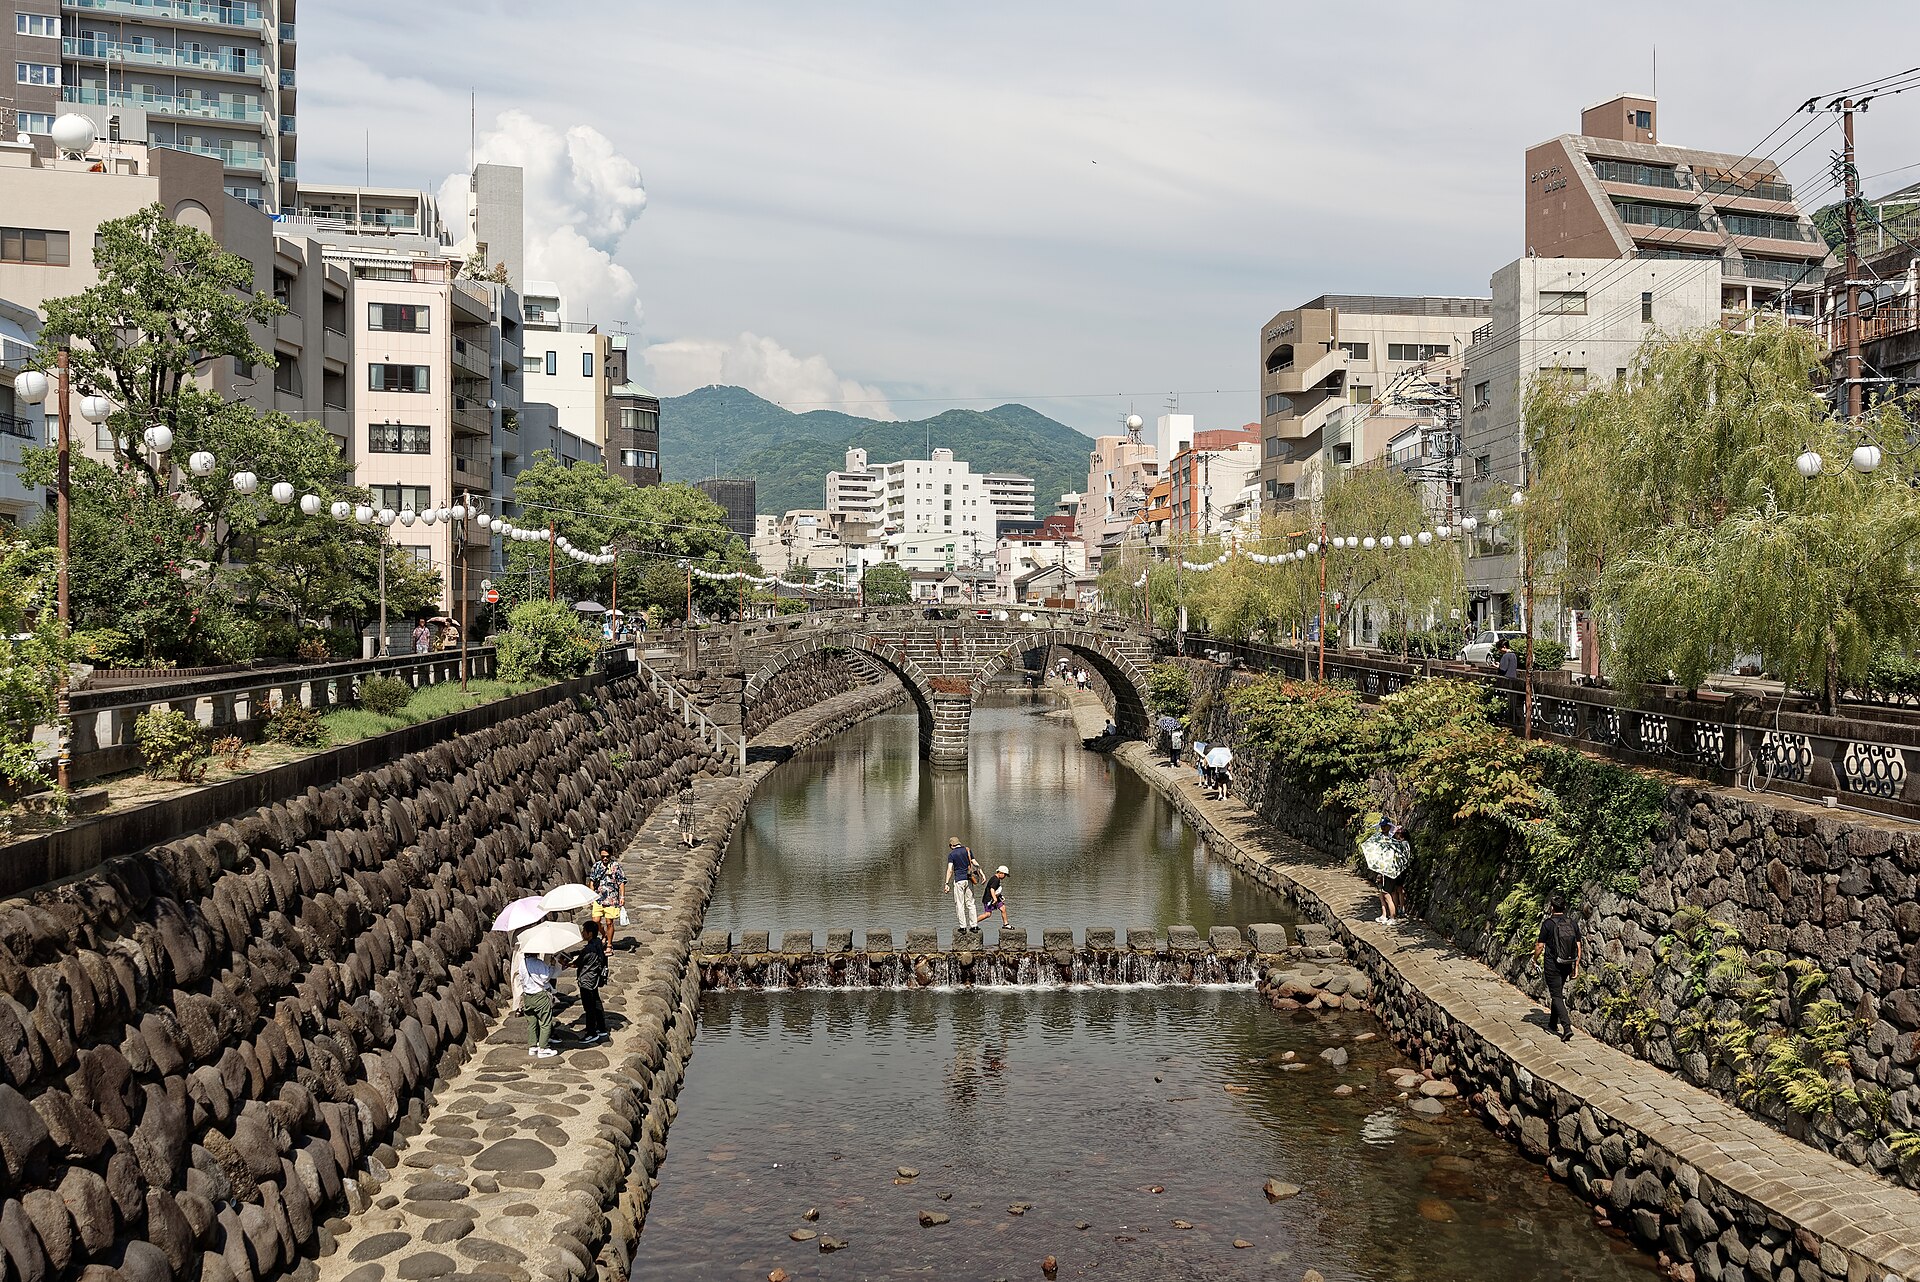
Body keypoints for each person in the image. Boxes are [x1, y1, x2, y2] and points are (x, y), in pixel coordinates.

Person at [1533, 892, 1582, 1041]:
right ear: (1565, 907)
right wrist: (1576, 966)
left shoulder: (1548, 924)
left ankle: (1566, 1027)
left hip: (1552, 964)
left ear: (1551, 908)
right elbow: (1578, 946)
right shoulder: (1572, 923)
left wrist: (1534, 959)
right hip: (1567, 963)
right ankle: (1553, 1023)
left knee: (1556, 995)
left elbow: (1540, 946)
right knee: (1558, 993)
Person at [573, 930, 610, 1045]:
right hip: (595, 978)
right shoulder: (598, 943)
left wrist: (564, 963)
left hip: (587, 980)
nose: (582, 933)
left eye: (584, 931)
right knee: (596, 1003)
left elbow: (578, 963)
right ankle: (601, 1027)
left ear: (590, 933)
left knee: (589, 1007)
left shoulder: (589, 949)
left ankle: (591, 1033)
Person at [522, 950, 559, 1058]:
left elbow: (521, 979)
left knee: (532, 1022)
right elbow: (545, 978)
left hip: (527, 995)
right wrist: (551, 966)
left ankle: (532, 1046)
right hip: (539, 994)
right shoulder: (539, 963)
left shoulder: (522, 963)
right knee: (545, 1022)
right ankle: (543, 1048)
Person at [1374, 818, 1409, 925]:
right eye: (1382, 826)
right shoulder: (1385, 838)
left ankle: (1393, 916)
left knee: (1387, 894)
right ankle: (1386, 915)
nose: (1383, 828)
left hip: (1390, 870)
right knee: (1385, 893)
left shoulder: (1394, 841)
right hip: (1385, 869)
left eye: (1384, 826)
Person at [588, 848, 626, 947]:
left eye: (607, 856)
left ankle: (609, 944)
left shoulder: (616, 866)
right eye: (603, 856)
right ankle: (604, 934)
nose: (605, 858)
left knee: (609, 922)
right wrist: (591, 896)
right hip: (598, 898)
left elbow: (621, 882)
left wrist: (622, 897)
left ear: (610, 855)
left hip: (611, 898)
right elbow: (592, 881)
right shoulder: (596, 866)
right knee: (595, 921)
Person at [941, 836, 979, 931]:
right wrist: (981, 874)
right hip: (969, 879)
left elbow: (950, 870)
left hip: (959, 880)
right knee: (970, 903)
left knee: (960, 904)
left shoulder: (952, 854)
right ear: (959, 843)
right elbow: (975, 863)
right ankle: (974, 926)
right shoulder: (967, 850)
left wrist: (946, 883)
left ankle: (963, 927)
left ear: (951, 845)